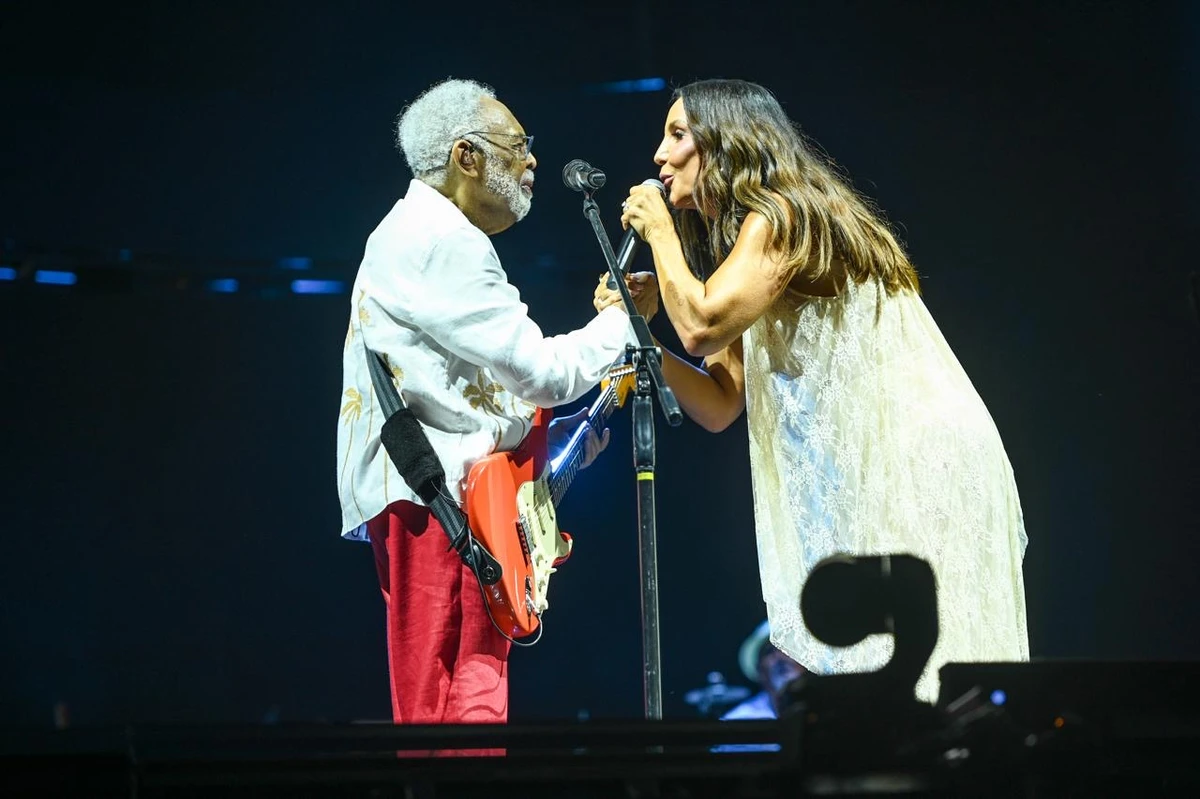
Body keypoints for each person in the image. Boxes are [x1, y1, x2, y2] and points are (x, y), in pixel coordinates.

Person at [596, 79, 1029, 701]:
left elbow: (699, 324)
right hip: (864, 463)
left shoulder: (784, 215)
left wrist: (662, 237)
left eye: (677, 135)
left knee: (927, 663)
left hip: (915, 454)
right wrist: (639, 333)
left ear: (726, 142)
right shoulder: (746, 244)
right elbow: (721, 403)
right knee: (882, 662)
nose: (660, 156)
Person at [338, 78, 636, 725]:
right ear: (465, 156)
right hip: (441, 506)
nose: (531, 161)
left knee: (461, 696)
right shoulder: (442, 239)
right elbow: (542, 373)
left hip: (442, 499)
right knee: (456, 705)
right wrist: (623, 322)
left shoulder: (414, 232)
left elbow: (465, 393)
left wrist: (553, 448)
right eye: (516, 145)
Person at [721, 620, 805, 721]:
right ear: (759, 671)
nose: (780, 656)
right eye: (769, 651)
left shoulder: (826, 708)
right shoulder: (738, 721)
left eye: (788, 647)